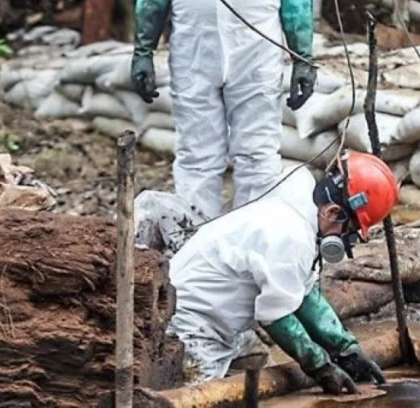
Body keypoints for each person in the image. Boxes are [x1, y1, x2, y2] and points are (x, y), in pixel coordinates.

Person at [166, 150, 400, 393]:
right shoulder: (290, 237)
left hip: (220, 319)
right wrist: (320, 367)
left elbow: (302, 294)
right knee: (200, 396)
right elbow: (274, 316)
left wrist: (346, 348)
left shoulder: (303, 213)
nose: (347, 241)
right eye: (349, 231)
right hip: (189, 324)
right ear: (333, 212)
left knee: (256, 362)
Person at [131, 0, 318, 218]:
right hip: (194, 51)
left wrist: (302, 56)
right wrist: (144, 49)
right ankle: (194, 246)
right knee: (196, 156)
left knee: (258, 155)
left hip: (256, 51)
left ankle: (251, 247)